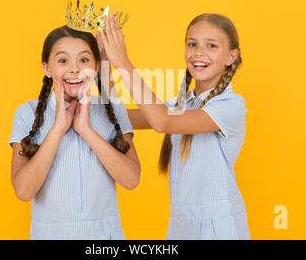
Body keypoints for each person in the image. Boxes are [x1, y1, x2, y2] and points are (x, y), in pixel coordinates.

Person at [99, 13, 250, 239]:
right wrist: (104, 59)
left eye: (211, 45)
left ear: (231, 56)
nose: (199, 52)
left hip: (220, 231)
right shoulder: (182, 104)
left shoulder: (231, 106)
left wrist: (123, 62)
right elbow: (116, 118)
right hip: (182, 228)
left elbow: (162, 122)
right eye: (192, 44)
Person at [8, 25, 140, 239]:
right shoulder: (27, 113)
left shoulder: (113, 109)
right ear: (47, 68)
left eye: (84, 60)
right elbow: (23, 192)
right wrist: (58, 129)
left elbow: (131, 180)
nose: (74, 69)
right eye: (62, 61)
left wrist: (86, 130)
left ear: (96, 67)